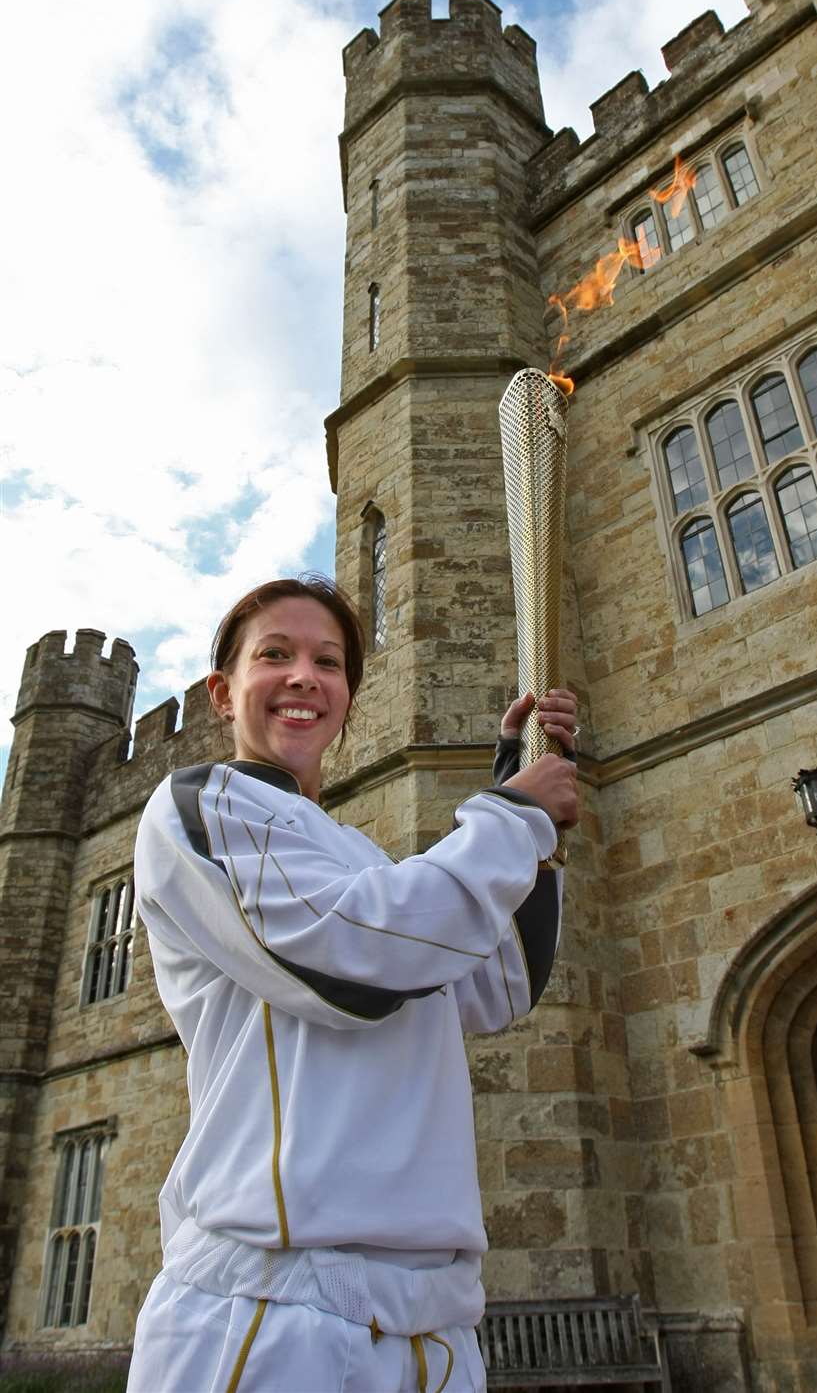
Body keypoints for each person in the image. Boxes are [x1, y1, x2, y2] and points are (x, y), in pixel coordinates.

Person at [128, 574, 578, 1393]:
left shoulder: (364, 861)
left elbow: (497, 981)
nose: (305, 675)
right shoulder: (202, 804)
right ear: (223, 693)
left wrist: (530, 809)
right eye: (277, 654)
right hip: (272, 1308)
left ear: (346, 698)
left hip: (434, 1319)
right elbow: (346, 963)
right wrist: (510, 817)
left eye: (329, 662)